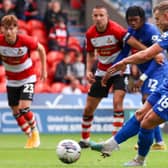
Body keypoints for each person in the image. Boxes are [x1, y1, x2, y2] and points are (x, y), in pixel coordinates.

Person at [90, 1, 168, 166]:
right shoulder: (137, 33)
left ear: (166, 16)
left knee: (147, 122)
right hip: (166, 84)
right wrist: (118, 64)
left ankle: (142, 159)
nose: (157, 22)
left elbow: (149, 55)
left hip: (156, 74)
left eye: (158, 19)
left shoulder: (153, 32)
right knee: (141, 114)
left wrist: (127, 65)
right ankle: (110, 145)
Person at [78, 5, 147, 148]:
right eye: (95, 16)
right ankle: (84, 140)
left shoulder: (116, 29)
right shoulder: (90, 34)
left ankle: (114, 141)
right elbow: (91, 54)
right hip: (102, 71)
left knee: (117, 103)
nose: (98, 18)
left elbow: (132, 42)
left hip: (120, 70)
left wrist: (151, 52)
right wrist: (88, 70)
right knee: (89, 108)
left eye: (101, 15)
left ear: (107, 17)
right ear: (92, 17)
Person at [120, 6, 167, 150]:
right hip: (145, 73)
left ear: (142, 19)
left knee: (148, 101)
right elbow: (125, 53)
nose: (133, 23)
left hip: (157, 71)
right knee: (145, 103)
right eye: (129, 21)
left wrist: (143, 77)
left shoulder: (151, 31)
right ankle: (155, 140)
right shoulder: (130, 33)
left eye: (135, 20)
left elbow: (157, 57)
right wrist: (118, 66)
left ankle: (156, 141)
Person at [0, 15, 47, 149]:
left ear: (16, 29)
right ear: (2, 29)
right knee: (15, 112)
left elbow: (41, 49)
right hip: (12, 81)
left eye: (11, 28)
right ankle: (29, 136)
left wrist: (44, 70)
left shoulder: (25, 40)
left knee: (24, 108)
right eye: (5, 28)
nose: (8, 32)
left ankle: (35, 133)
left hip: (27, 78)